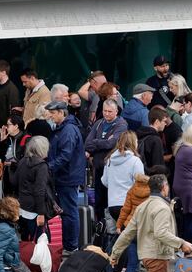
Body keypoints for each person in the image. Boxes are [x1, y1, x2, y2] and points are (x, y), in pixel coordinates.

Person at [102, 131, 144, 272]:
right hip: (128, 204)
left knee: (121, 239)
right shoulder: (135, 161)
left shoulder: (110, 160)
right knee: (130, 242)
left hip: (113, 203)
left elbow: (104, 181)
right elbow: (140, 184)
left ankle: (117, 271)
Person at [46, 101, 86, 253]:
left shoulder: (68, 130)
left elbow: (65, 155)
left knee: (69, 212)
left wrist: (48, 167)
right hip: (64, 176)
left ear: (62, 113)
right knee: (67, 212)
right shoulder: (61, 128)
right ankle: (69, 245)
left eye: (53, 112)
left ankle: (71, 246)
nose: (51, 115)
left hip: (68, 177)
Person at [85, 99, 128, 220]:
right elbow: (87, 143)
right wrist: (103, 142)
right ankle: (100, 227)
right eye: (105, 111)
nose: (107, 114)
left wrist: (96, 143)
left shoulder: (121, 124)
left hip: (113, 169)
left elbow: (112, 144)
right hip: (98, 168)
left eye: (110, 111)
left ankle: (111, 230)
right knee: (99, 201)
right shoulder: (98, 123)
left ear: (116, 112)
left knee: (110, 201)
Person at [11, 136, 52, 244]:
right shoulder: (41, 166)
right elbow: (40, 191)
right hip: (35, 208)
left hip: (23, 206)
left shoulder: (23, 161)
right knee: (42, 241)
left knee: (27, 240)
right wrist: (41, 213)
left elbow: (14, 182)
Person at [0, 113, 27, 196]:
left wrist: (13, 164)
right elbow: (1, 155)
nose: (6, 127)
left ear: (16, 126)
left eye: (8, 125)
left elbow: (27, 160)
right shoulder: (9, 138)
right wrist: (2, 140)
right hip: (9, 175)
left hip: (20, 177)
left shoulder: (26, 139)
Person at [0, 60, 21, 132]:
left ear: (3, 72)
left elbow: (13, 112)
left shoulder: (12, 89)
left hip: (4, 130)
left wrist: (7, 129)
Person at [136, 107, 167, 171]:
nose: (165, 124)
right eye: (164, 121)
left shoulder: (139, 134)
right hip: (152, 177)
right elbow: (158, 165)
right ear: (157, 121)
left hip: (141, 173)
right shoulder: (156, 140)